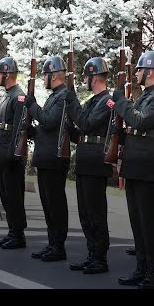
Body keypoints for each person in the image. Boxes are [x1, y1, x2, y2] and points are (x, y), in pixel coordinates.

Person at [114, 50, 154, 289]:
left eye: (139, 69)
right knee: (137, 222)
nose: (136, 73)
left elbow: (140, 121)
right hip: (134, 164)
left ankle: (152, 273)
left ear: (149, 71)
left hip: (147, 166)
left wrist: (121, 101)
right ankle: (140, 268)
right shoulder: (145, 95)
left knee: (149, 224)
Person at [65, 57, 112, 274]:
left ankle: (100, 258)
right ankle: (91, 253)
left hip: (95, 163)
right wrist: (70, 128)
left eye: (86, 77)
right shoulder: (93, 101)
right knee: (85, 213)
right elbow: (81, 132)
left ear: (94, 78)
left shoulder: (107, 102)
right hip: (85, 160)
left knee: (96, 213)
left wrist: (72, 101)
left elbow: (87, 123)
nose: (84, 80)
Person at [26, 55, 71, 262]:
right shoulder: (55, 96)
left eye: (45, 75)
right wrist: (32, 131)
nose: (43, 78)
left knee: (55, 204)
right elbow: (46, 127)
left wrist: (33, 106)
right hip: (46, 157)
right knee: (47, 203)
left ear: (53, 76)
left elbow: (49, 121)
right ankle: (52, 243)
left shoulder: (63, 96)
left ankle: (58, 246)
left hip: (54, 158)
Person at [0, 56, 28, 250]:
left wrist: (14, 154)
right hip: (4, 155)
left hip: (11, 156)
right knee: (6, 196)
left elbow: (19, 129)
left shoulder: (18, 96)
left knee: (14, 197)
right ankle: (12, 231)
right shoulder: (8, 95)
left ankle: (18, 234)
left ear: (6, 75)